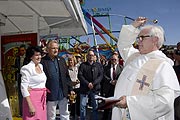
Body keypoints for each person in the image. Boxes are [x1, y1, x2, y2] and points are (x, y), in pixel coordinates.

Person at [112, 17, 180, 120]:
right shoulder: (134, 56)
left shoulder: (163, 65)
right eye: (137, 38)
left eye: (142, 38)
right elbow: (123, 45)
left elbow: (165, 101)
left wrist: (130, 103)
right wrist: (134, 26)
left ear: (155, 40)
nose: (138, 41)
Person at [41, 40, 74, 120]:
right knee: (51, 116)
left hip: (63, 92)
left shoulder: (61, 60)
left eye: (57, 48)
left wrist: (71, 89)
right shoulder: (43, 62)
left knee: (65, 114)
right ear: (48, 49)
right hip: (51, 93)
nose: (56, 50)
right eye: (53, 48)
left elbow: (67, 76)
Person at [20, 46, 47, 120]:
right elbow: (24, 88)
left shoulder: (41, 66)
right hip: (32, 99)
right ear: (31, 57)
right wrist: (30, 105)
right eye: (36, 55)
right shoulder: (26, 68)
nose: (39, 57)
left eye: (40, 55)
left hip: (42, 99)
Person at [78, 50, 103, 120]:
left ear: (94, 56)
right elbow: (80, 75)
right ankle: (83, 118)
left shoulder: (98, 65)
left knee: (95, 106)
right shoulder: (82, 65)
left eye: (92, 55)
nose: (91, 56)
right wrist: (87, 83)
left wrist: (93, 83)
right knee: (83, 106)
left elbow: (100, 76)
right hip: (84, 89)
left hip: (95, 89)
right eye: (89, 55)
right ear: (87, 56)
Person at [101, 54, 123, 120]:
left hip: (117, 90)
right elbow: (104, 76)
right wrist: (110, 81)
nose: (113, 61)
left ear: (118, 60)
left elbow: (122, 77)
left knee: (116, 106)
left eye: (115, 59)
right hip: (108, 90)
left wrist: (117, 81)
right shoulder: (106, 67)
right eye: (112, 59)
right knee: (107, 106)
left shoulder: (121, 68)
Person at [14, 44, 26, 116]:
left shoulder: (28, 58)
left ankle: (26, 111)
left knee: (27, 95)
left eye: (23, 50)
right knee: (20, 95)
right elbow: (16, 69)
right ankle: (21, 112)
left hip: (26, 78)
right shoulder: (17, 58)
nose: (22, 52)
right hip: (19, 77)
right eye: (21, 50)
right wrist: (16, 80)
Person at [67, 55, 80, 119]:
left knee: (78, 102)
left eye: (71, 60)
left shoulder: (77, 68)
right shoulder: (66, 69)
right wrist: (71, 84)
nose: (70, 62)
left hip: (77, 87)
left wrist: (78, 81)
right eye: (69, 60)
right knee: (72, 102)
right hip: (70, 88)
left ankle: (78, 114)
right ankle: (72, 114)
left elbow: (79, 76)